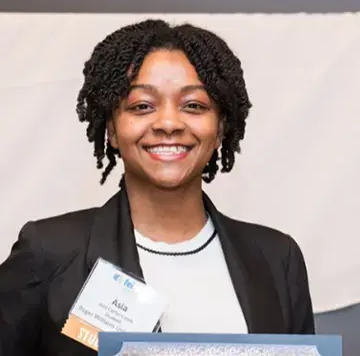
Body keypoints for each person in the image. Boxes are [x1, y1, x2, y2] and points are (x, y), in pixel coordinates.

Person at [0, 19, 315, 356]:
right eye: (142, 106)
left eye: (193, 106)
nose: (168, 123)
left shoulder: (278, 258)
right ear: (112, 131)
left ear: (220, 129)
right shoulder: (49, 252)